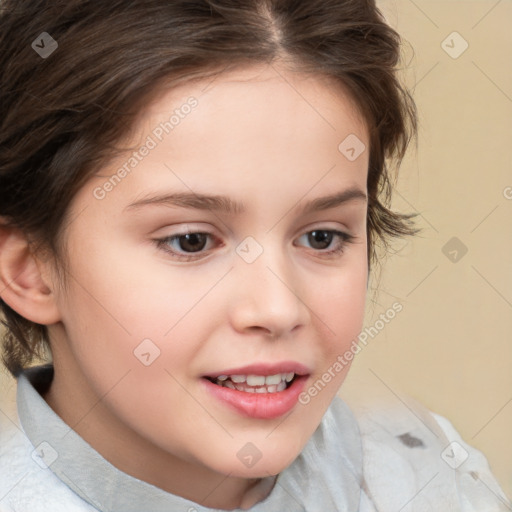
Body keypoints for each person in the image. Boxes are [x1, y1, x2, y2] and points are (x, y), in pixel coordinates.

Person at [0, 1, 509, 510]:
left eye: (322, 237)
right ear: (29, 272)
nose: (278, 309)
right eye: (191, 240)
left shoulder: (436, 479)